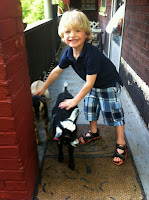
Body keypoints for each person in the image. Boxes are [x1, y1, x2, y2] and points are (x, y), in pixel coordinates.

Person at [34, 9, 128, 165]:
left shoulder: (91, 55)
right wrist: (43, 88)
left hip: (108, 84)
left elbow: (89, 83)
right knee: (90, 109)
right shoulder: (69, 54)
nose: (72, 35)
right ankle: (94, 132)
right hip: (94, 85)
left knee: (114, 113)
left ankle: (121, 143)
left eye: (77, 30)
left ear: (86, 34)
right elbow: (57, 71)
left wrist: (73, 101)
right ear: (63, 36)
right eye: (68, 31)